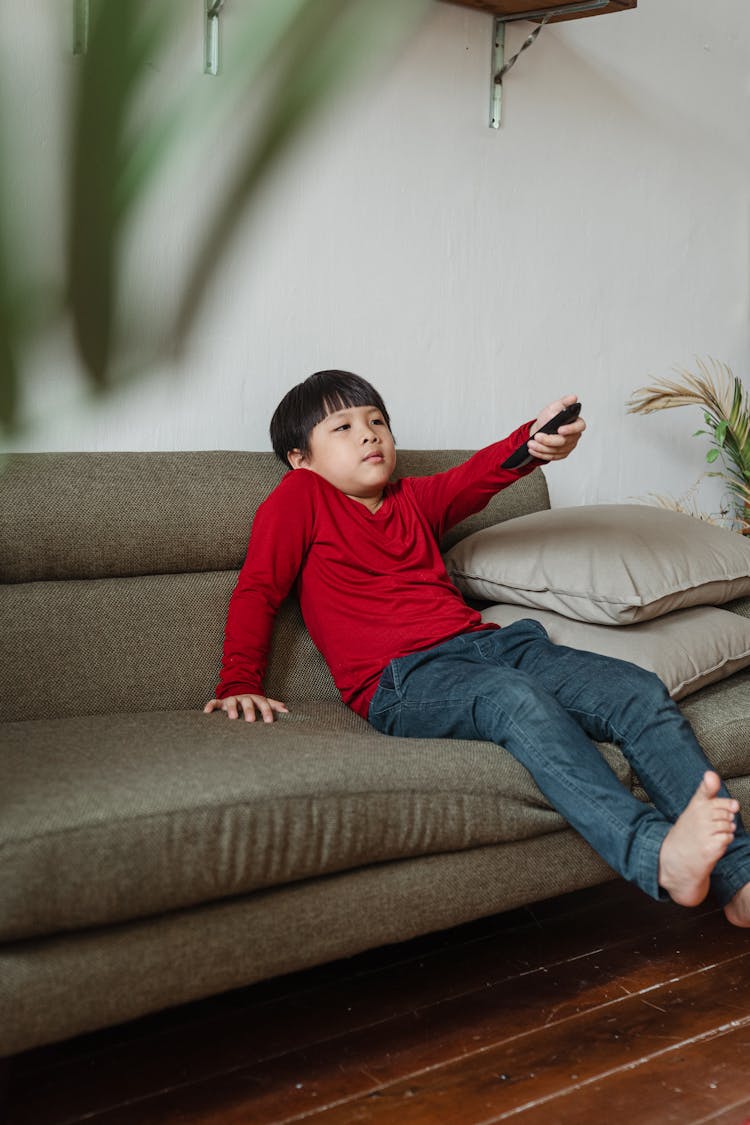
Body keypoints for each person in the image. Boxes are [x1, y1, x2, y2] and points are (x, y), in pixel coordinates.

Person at [205, 369, 750, 926]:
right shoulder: (301, 496)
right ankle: (656, 856)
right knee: (510, 697)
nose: (370, 435)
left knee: (634, 688)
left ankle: (740, 880)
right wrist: (240, 681)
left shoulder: (412, 498)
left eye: (377, 422)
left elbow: (476, 477)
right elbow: (257, 590)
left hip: (490, 646)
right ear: (302, 458)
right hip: (402, 681)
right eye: (343, 427)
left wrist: (533, 442)